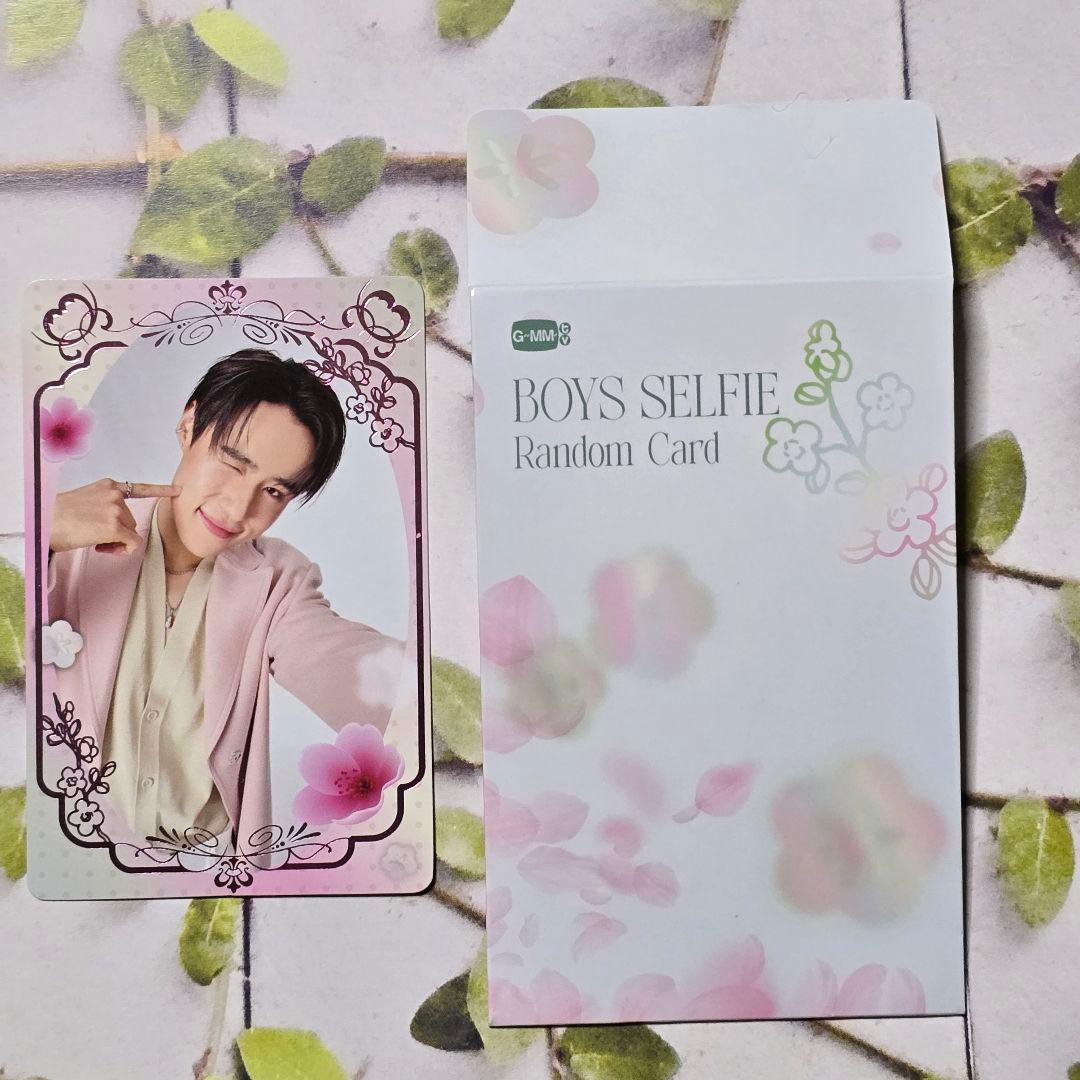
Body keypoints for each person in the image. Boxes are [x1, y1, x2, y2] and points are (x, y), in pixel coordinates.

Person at [46, 348, 402, 849]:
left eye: (274, 491)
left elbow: (365, 674)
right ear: (189, 425)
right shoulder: (68, 540)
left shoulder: (278, 582)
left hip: (205, 869)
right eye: (233, 463)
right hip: (68, 851)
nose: (238, 509)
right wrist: (39, 531)